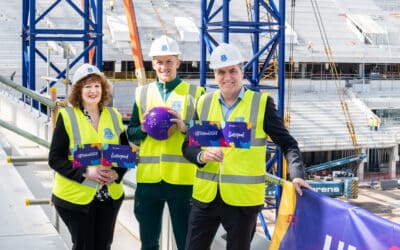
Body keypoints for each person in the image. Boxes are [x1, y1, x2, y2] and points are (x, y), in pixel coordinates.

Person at [181, 43, 312, 250]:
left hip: (242, 203)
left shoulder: (261, 104)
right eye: (221, 72)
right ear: (215, 75)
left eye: (233, 70)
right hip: (205, 198)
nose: (227, 77)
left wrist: (297, 175)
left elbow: (288, 144)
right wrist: (202, 155)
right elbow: (187, 147)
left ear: (242, 71)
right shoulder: (203, 103)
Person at [127, 35, 205, 250]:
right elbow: (131, 132)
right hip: (149, 180)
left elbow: (205, 135)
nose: (164, 66)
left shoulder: (195, 94)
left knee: (186, 242)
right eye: (159, 62)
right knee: (149, 241)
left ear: (178, 62)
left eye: (169, 61)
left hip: (183, 180)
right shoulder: (142, 93)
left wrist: (185, 128)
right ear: (153, 64)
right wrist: (141, 129)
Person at [48, 63, 129, 250]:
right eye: (87, 86)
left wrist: (117, 173)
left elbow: (124, 153)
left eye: (97, 86)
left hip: (108, 196)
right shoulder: (67, 116)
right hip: (74, 197)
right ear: (78, 91)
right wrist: (86, 172)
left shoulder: (113, 115)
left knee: (103, 245)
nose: (93, 91)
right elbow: (55, 158)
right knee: (84, 245)